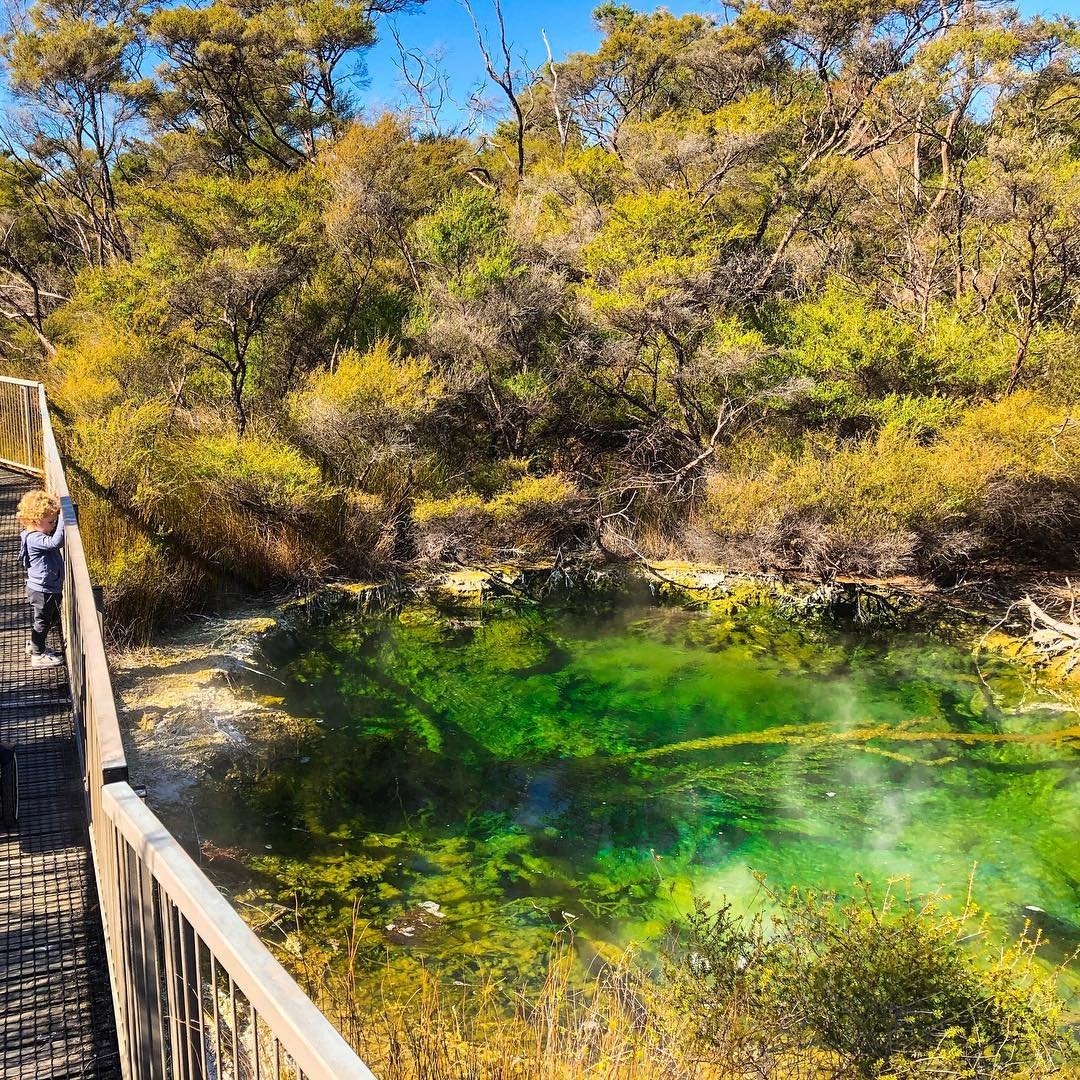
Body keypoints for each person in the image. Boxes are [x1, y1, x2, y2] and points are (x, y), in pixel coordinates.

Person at [17, 490, 65, 669]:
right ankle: (38, 656)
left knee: (49, 619)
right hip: (43, 589)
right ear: (36, 521)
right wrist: (62, 519)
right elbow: (55, 543)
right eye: (51, 522)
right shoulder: (35, 538)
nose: (53, 526)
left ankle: (36, 644)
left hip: (46, 587)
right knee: (43, 621)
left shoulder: (36, 533)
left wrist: (56, 517)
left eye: (54, 522)